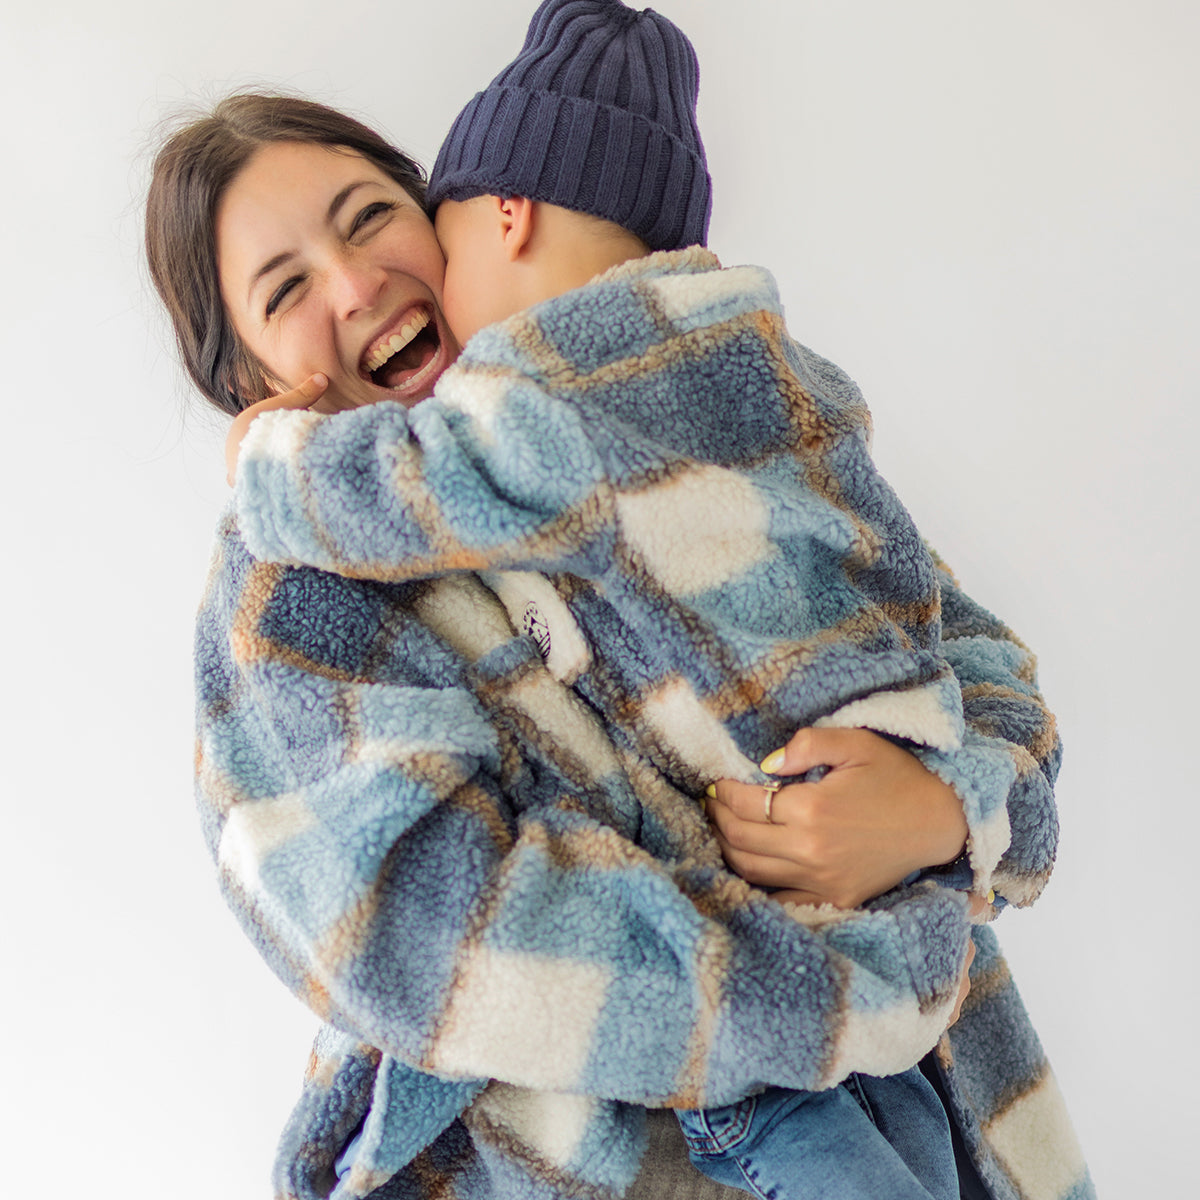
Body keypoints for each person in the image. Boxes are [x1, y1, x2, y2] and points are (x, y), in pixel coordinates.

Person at [145, 15, 1090, 1200]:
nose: (356, 284)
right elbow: (411, 935)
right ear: (247, 383)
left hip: (946, 1095)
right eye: (285, 289)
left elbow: (966, 656)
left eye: (369, 217)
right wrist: (827, 984)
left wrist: (944, 813)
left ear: (457, 213)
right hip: (599, 1157)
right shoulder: (288, 593)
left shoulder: (693, 409)